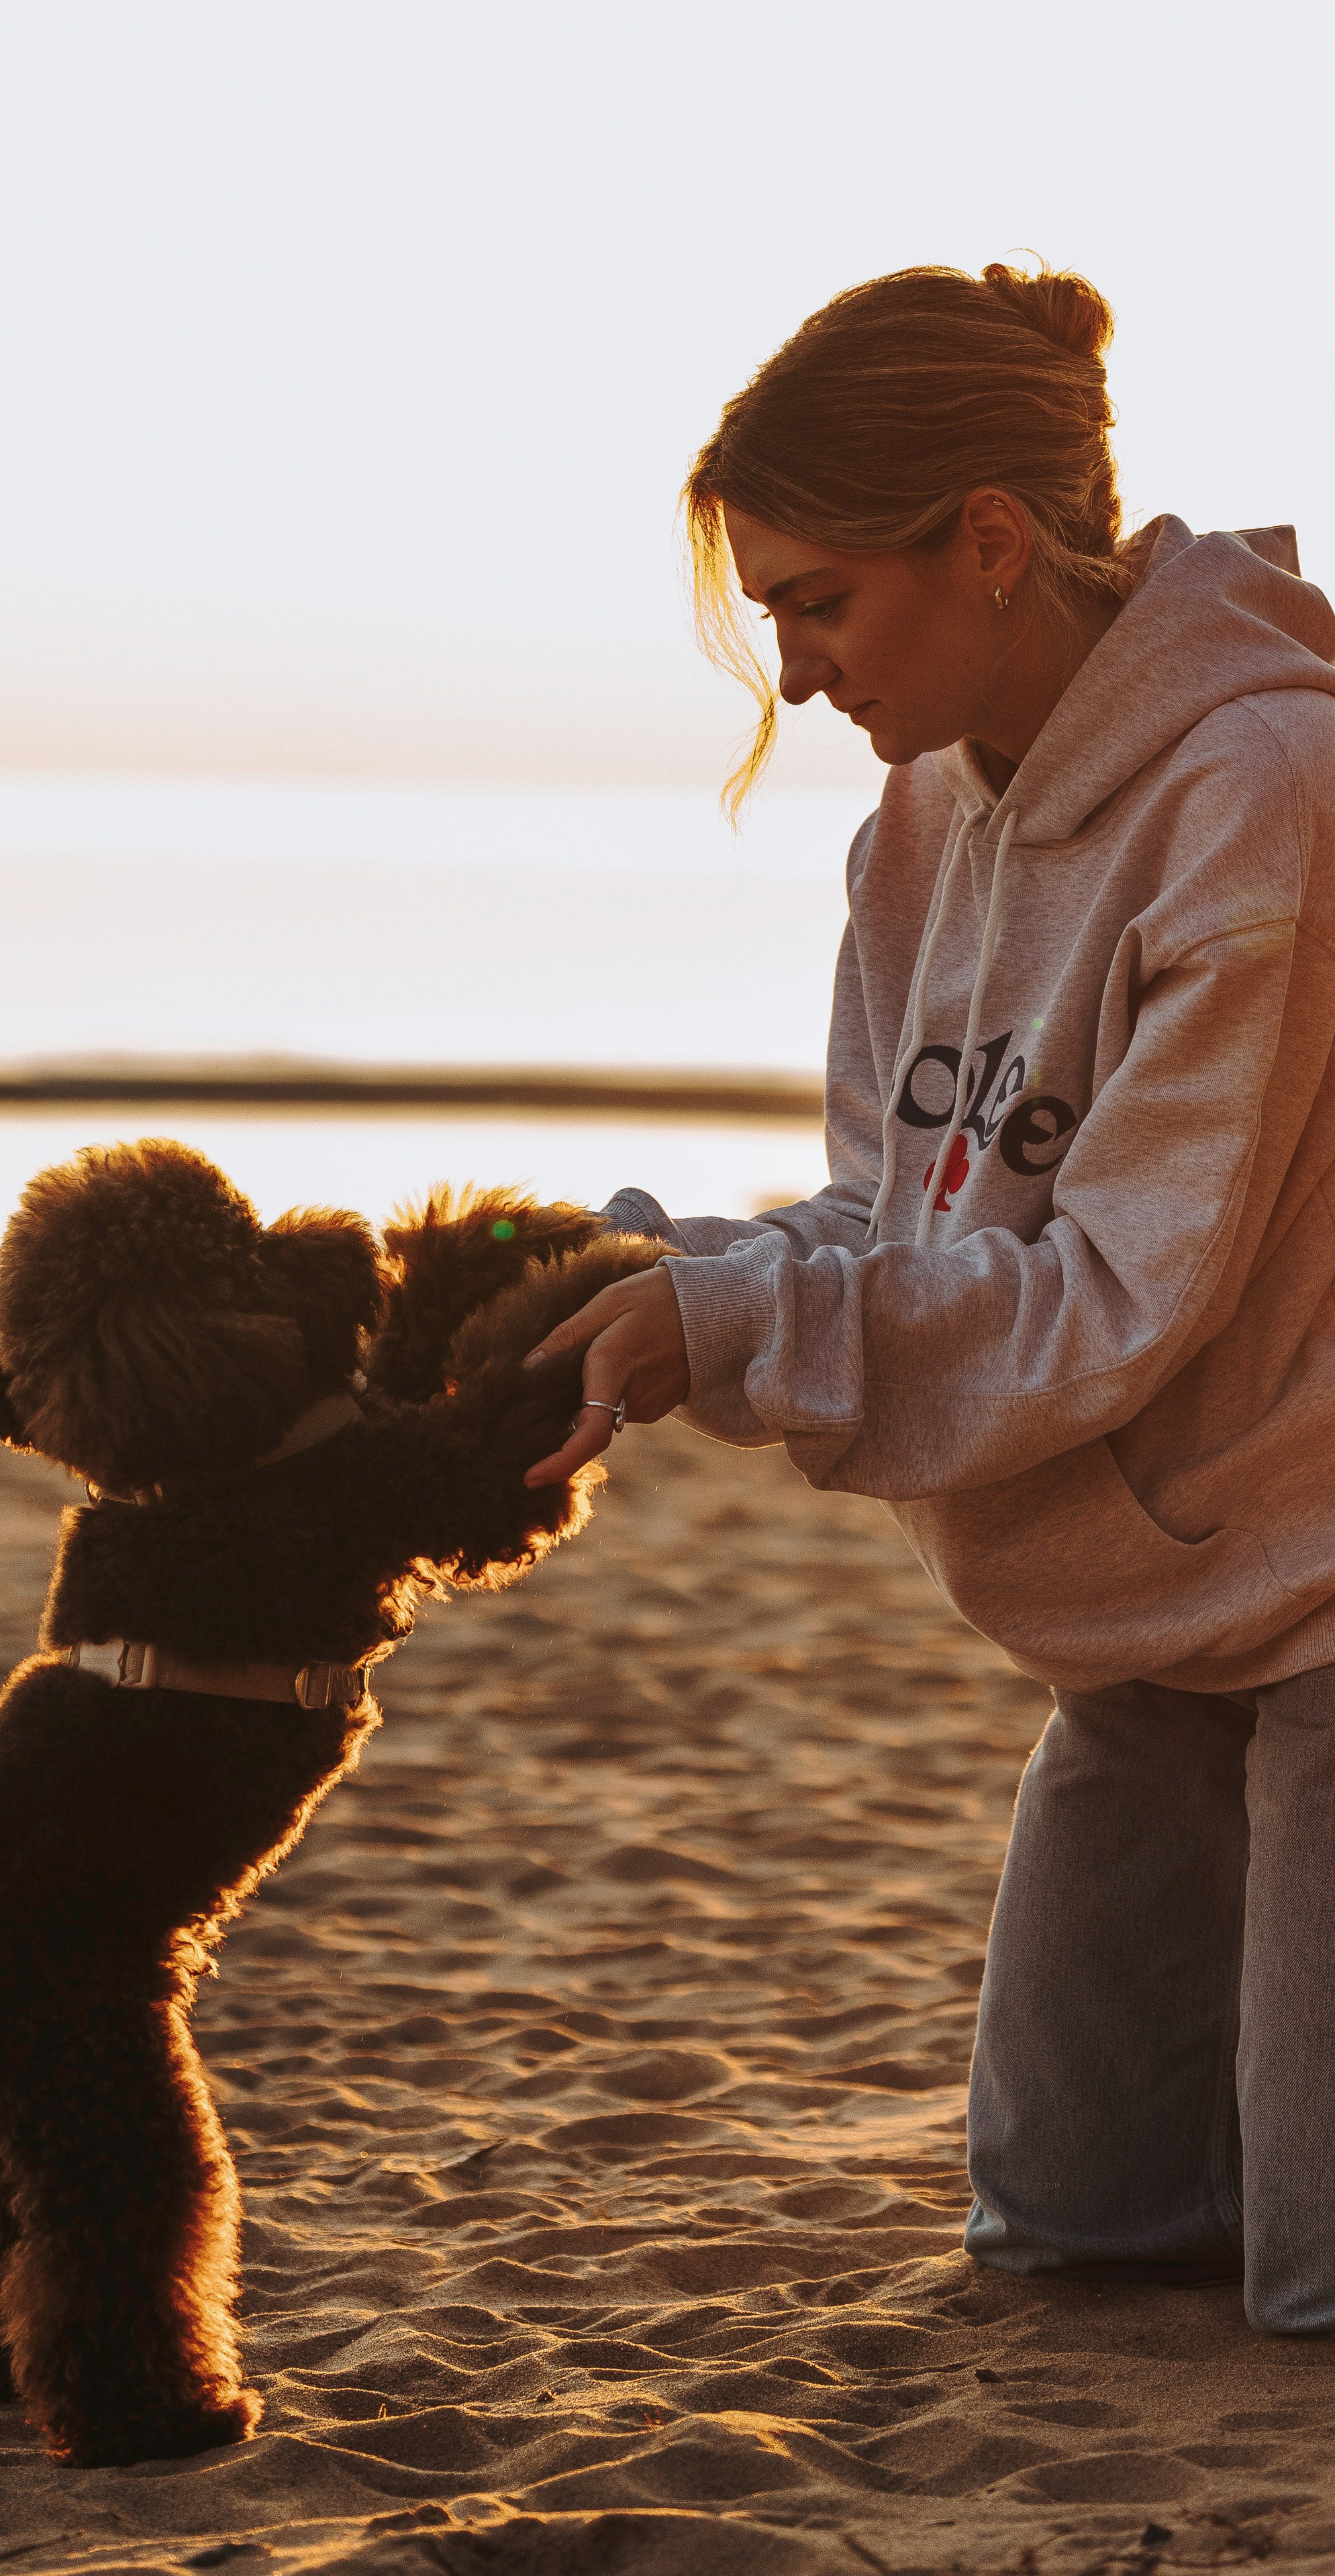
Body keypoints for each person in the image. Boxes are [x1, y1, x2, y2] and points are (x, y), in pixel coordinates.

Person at [522, 262, 1335, 2330]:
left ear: (987, 540)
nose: (792, 674)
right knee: (1071, 2231)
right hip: (1149, 1595)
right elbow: (905, 1213)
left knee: (1315, 2286)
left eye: (818, 602)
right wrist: (671, 1275)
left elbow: (1121, 1294)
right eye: (771, 612)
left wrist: (746, 1337)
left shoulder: (1263, 797)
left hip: (1319, 1566)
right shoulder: (920, 817)